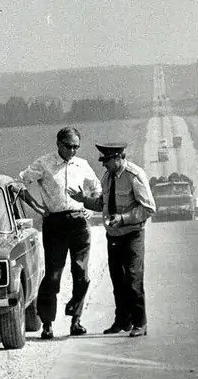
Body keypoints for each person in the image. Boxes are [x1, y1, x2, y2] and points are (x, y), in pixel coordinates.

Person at [18, 126, 102, 339]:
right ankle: (47, 323)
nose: (72, 151)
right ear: (58, 144)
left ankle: (76, 320)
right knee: (54, 274)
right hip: (54, 223)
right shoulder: (44, 163)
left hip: (78, 222)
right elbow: (19, 184)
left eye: (76, 147)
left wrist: (89, 206)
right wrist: (37, 208)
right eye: (68, 146)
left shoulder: (82, 165)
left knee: (81, 272)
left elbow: (97, 189)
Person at [91, 142, 156, 337]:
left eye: (107, 160)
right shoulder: (107, 177)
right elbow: (103, 203)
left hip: (132, 235)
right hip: (113, 235)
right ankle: (122, 321)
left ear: (119, 157)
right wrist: (83, 200)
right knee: (117, 280)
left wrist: (124, 218)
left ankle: (139, 323)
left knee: (133, 278)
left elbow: (149, 208)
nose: (104, 164)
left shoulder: (134, 176)